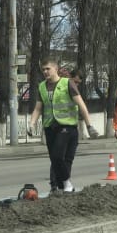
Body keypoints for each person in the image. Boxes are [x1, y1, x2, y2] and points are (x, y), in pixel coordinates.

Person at [29, 59, 99, 193]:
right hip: (50, 127)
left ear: (56, 68)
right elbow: (38, 108)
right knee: (56, 161)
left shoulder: (67, 83)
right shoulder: (42, 86)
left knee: (57, 156)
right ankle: (60, 187)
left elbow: (81, 105)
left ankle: (66, 183)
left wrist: (89, 126)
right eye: (43, 69)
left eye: (48, 68)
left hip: (66, 126)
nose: (45, 72)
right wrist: (32, 124)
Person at [48, 69, 84, 192]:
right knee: (57, 157)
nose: (77, 85)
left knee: (68, 158)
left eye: (79, 83)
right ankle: (55, 184)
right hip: (60, 127)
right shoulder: (63, 86)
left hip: (71, 127)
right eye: (76, 81)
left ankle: (64, 184)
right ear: (71, 78)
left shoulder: (72, 88)